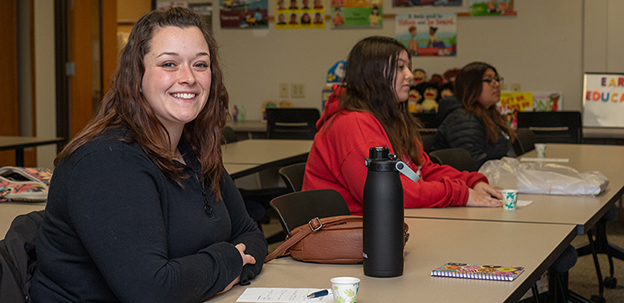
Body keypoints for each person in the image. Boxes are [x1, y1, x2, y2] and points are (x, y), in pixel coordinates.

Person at [30, 7, 267, 302]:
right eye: (169, 64)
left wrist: (201, 276)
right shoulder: (106, 162)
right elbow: (151, 290)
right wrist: (228, 260)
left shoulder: (194, 149)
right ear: (137, 75)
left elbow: (252, 236)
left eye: (200, 65)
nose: (188, 77)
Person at [302, 36, 502, 216]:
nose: (410, 75)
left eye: (408, 66)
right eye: (400, 67)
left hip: (383, 225)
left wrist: (472, 182)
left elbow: (422, 170)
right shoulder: (353, 123)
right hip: (345, 238)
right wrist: (461, 194)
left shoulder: (390, 119)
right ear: (373, 73)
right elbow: (389, 194)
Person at [432, 62, 516, 169]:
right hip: (466, 182)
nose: (496, 84)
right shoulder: (463, 119)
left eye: (497, 79)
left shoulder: (488, 114)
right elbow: (475, 165)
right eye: (488, 80)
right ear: (470, 85)